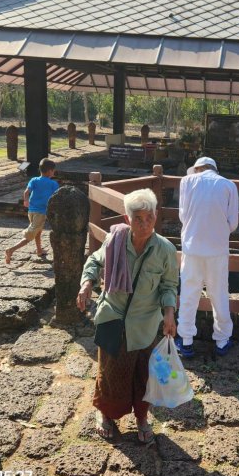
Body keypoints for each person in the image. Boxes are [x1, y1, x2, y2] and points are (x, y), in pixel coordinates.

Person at [77, 188, 178, 444]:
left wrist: (169, 314)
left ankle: (142, 418)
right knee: (111, 373)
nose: (144, 224)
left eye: (149, 218)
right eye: (138, 219)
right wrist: (86, 284)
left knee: (143, 374)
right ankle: (105, 414)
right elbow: (94, 262)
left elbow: (168, 286)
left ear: (156, 217)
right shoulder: (115, 241)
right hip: (113, 317)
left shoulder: (165, 250)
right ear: (126, 219)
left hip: (145, 323)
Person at [175, 156, 238, 358]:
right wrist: (218, 231)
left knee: (188, 294)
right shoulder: (229, 185)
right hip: (217, 250)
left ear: (198, 168)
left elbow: (183, 216)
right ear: (214, 169)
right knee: (219, 294)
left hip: (192, 249)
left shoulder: (186, 182)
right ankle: (221, 340)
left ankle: (185, 341)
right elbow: (233, 223)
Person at [5, 157, 59, 264]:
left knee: (38, 231)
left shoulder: (34, 180)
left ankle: (39, 250)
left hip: (31, 211)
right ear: (49, 171)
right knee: (30, 235)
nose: (54, 172)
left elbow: (26, 192)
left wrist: (26, 201)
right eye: (53, 170)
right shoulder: (53, 184)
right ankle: (11, 250)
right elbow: (56, 198)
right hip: (41, 212)